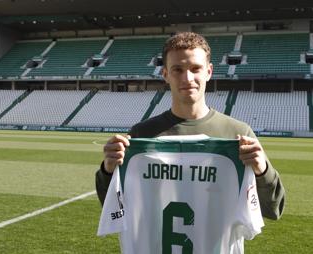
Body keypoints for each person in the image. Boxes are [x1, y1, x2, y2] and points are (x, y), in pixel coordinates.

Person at [95, 32, 285, 220]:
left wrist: (262, 170)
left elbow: (272, 209)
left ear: (209, 72)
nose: (187, 78)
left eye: (195, 68)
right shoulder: (141, 134)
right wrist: (108, 169)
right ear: (165, 74)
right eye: (177, 70)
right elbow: (114, 208)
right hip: (154, 250)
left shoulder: (238, 134)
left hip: (216, 251)